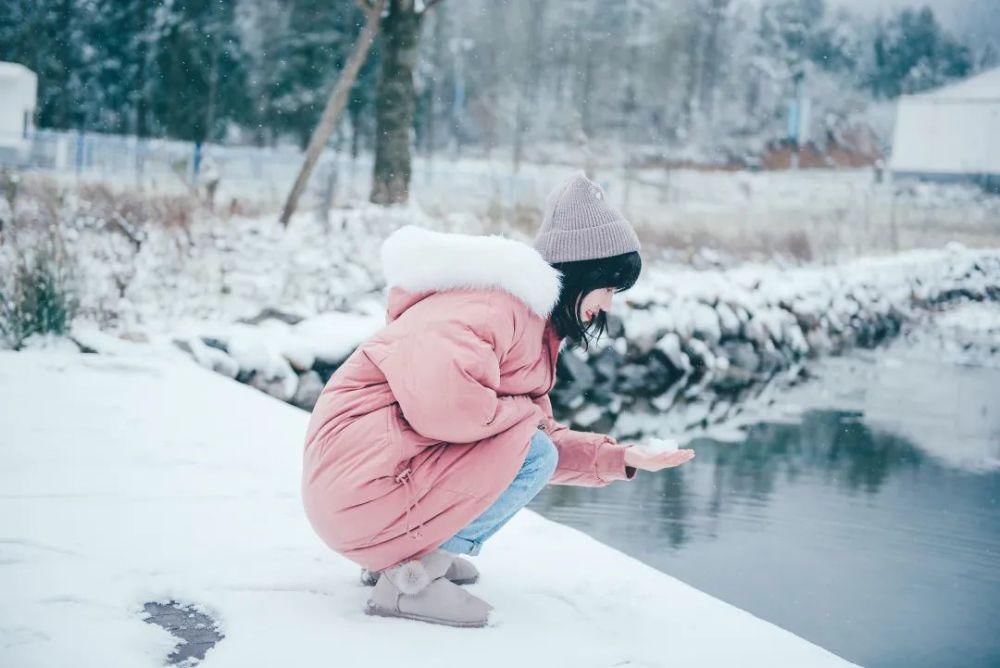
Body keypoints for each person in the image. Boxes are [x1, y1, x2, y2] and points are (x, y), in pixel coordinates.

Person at [301, 171, 696, 628]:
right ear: (582, 274)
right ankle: (412, 580)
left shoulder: (528, 323)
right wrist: (527, 418)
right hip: (359, 491)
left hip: (362, 492)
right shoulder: (494, 310)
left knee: (532, 447)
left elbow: (519, 432)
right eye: (608, 288)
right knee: (533, 451)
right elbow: (452, 410)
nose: (608, 305)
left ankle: (407, 556)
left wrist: (621, 458)